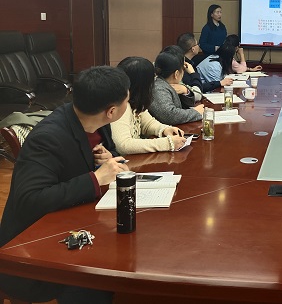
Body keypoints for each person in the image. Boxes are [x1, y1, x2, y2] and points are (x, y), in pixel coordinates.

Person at [0, 66, 131, 303]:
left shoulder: (94, 121)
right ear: (112, 111)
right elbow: (30, 199)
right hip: (31, 251)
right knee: (103, 278)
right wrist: (96, 178)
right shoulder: (48, 137)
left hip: (75, 224)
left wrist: (106, 159)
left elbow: (91, 158)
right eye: (127, 101)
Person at [111, 57, 187, 154]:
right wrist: (168, 143)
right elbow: (124, 145)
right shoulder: (120, 106)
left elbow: (148, 124)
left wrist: (165, 129)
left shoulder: (135, 101)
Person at [149, 51, 204, 125]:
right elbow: (169, 115)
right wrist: (196, 112)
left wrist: (186, 92)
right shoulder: (159, 88)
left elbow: (183, 106)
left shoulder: (166, 83)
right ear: (176, 74)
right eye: (183, 70)